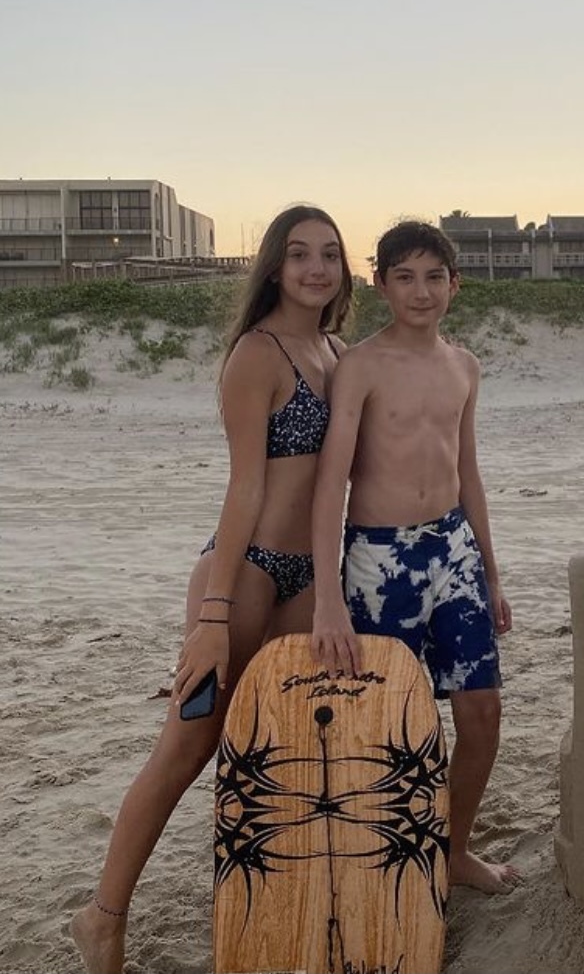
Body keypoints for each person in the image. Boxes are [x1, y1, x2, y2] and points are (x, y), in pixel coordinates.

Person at [70, 205, 353, 973]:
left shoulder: (337, 352)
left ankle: (272, 906)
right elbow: (244, 489)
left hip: (306, 580)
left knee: (284, 745)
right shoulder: (257, 356)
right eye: (300, 254)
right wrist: (213, 617)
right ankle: (101, 916)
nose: (316, 268)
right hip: (243, 572)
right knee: (188, 742)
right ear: (275, 266)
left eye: (329, 254)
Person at [311, 219, 519, 896]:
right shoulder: (361, 366)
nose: (421, 291)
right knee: (386, 721)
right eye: (405, 277)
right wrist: (328, 597)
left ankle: (452, 850)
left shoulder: (464, 366)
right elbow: (331, 483)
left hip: (454, 549)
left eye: (434, 277)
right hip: (380, 558)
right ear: (381, 284)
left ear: (455, 284)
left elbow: (469, 471)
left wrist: (491, 574)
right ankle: (384, 861)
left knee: (482, 712)